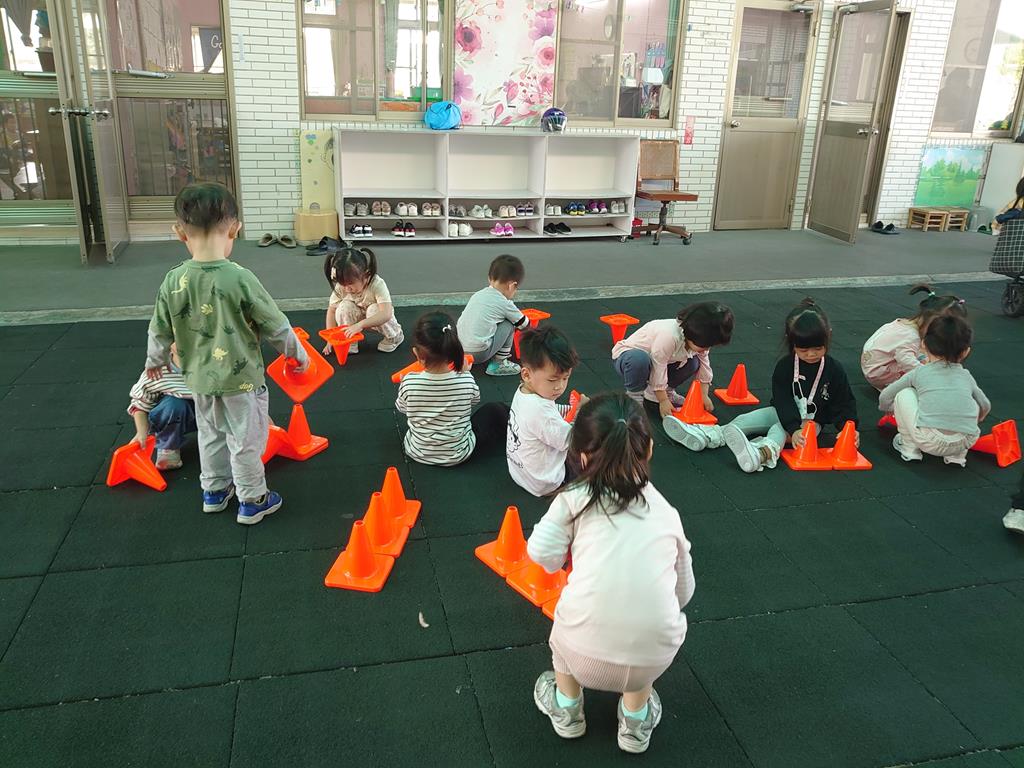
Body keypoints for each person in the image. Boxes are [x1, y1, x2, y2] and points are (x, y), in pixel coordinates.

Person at [528, 393, 694, 755]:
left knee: (563, 637)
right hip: (654, 658)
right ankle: (634, 721)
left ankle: (568, 709)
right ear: (649, 450)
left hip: (580, 653)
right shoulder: (667, 513)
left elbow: (541, 553)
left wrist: (563, 559)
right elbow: (683, 592)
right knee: (645, 634)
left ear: (581, 455)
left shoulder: (574, 498)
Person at [145, 182, 308, 525]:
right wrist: (298, 355)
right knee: (246, 440)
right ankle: (252, 499)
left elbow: (158, 329)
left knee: (211, 435)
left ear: (180, 232)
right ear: (235, 229)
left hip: (199, 382)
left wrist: (154, 361)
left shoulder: (173, 280)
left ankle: (215, 491)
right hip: (242, 382)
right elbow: (275, 324)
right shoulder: (240, 278)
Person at [664, 299, 858, 473]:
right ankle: (710, 436)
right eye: (803, 350)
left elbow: (844, 401)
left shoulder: (834, 369)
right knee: (745, 419)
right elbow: (782, 399)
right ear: (791, 343)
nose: (811, 354)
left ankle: (763, 452)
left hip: (811, 423)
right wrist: (793, 426)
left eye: (818, 348)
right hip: (783, 412)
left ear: (828, 338)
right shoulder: (785, 366)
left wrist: (847, 427)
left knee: (779, 431)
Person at [396, 311, 509, 466]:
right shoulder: (465, 379)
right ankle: (519, 430)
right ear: (453, 348)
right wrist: (464, 372)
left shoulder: (409, 382)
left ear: (417, 353)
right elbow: (475, 400)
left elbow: (402, 408)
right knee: (494, 409)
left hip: (417, 451)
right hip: (458, 453)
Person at [878, 314, 990, 466]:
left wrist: (889, 409)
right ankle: (957, 457)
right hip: (966, 440)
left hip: (929, 440)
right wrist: (978, 417)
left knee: (904, 394)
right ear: (965, 352)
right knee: (971, 401)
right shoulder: (966, 376)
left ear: (923, 344)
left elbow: (885, 396)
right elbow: (985, 405)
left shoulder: (918, 372)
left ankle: (909, 448)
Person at [611, 302, 733, 419]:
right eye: (704, 346)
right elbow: (658, 366)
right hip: (628, 358)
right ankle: (634, 397)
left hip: (661, 360)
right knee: (639, 359)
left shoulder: (701, 339)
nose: (706, 349)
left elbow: (704, 365)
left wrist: (703, 395)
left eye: (710, 345)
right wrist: (663, 400)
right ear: (691, 335)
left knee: (694, 362)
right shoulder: (669, 337)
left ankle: (667, 391)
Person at [507, 326, 588, 496]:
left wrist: (571, 409)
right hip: (545, 483)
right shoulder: (540, 411)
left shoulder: (525, 391)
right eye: (553, 380)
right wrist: (582, 414)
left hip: (521, 473)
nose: (560, 386)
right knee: (594, 452)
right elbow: (570, 440)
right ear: (526, 374)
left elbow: (550, 412)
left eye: (565, 378)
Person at [861, 284, 967, 390]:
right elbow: (905, 360)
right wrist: (929, 375)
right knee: (924, 365)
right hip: (880, 374)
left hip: (872, 366)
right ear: (931, 319)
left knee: (924, 355)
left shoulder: (902, 324)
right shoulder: (911, 337)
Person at [456, 254, 530, 376]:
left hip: (458, 350)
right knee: (508, 324)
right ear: (512, 286)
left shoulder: (478, 295)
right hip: (478, 354)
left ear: (489, 278)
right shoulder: (504, 303)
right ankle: (499, 363)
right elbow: (524, 324)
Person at [321, 246, 404, 355]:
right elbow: (332, 311)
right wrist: (330, 339)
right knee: (343, 307)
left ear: (366, 274)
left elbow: (386, 313)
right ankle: (350, 341)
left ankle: (394, 337)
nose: (347, 289)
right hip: (357, 319)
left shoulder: (377, 284)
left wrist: (360, 325)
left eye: (350, 284)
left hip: (375, 318)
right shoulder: (342, 287)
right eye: (342, 284)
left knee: (374, 310)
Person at [128, 342, 195, 470]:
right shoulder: (158, 369)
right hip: (179, 414)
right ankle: (168, 445)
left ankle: (224, 442)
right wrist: (141, 432)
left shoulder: (214, 364)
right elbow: (140, 404)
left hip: (210, 412)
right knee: (173, 405)